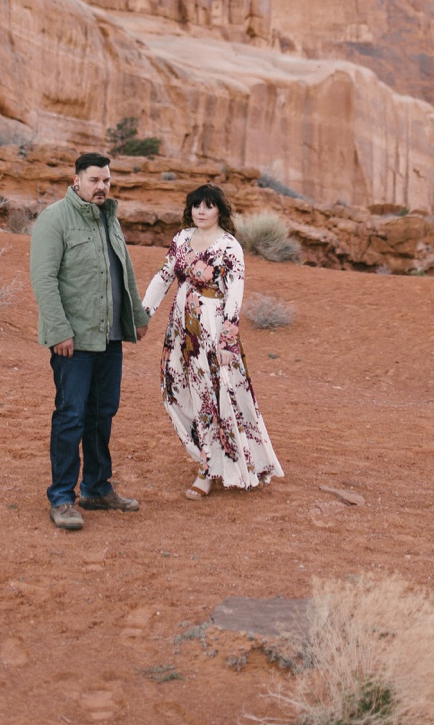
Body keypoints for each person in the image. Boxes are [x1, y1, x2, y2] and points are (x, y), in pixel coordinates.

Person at [30, 152, 149, 530]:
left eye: (107, 181)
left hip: (109, 338)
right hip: (74, 341)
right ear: (77, 180)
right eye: (95, 180)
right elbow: (44, 279)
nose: (102, 187)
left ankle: (97, 488)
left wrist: (137, 318)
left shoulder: (109, 218)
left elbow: (124, 269)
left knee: (103, 414)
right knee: (71, 416)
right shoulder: (55, 219)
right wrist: (59, 329)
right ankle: (63, 497)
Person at [142, 183, 284, 498]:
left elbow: (235, 293)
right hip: (179, 328)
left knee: (210, 396)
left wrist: (228, 341)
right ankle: (210, 453)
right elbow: (164, 277)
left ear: (220, 210)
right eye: (196, 206)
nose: (201, 211)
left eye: (208, 206)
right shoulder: (180, 238)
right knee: (174, 387)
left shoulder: (229, 246)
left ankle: (208, 468)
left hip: (211, 327)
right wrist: (142, 316)